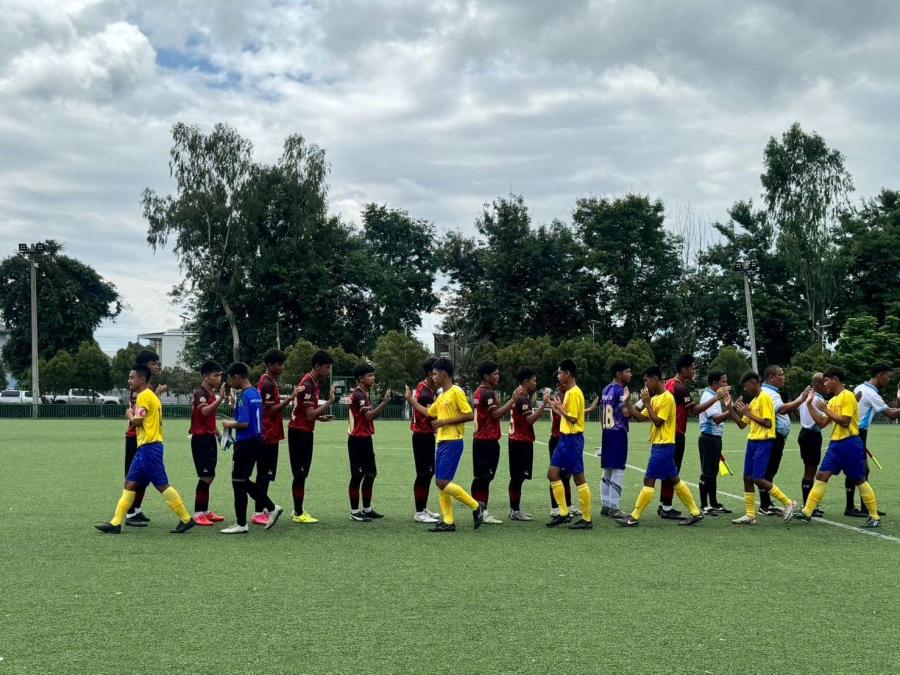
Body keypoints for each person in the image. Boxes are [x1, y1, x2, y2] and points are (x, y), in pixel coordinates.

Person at [95, 365, 195, 534]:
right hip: (146, 447)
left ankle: (186, 518)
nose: (129, 381)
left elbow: (138, 421)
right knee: (130, 483)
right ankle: (116, 522)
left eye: (132, 377)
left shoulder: (143, 396)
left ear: (142, 379)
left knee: (162, 485)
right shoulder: (151, 396)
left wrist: (129, 414)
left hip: (150, 447)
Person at [616, 365, 703, 528]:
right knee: (674, 479)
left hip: (664, 445)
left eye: (647, 381)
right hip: (660, 445)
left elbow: (658, 422)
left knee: (648, 479)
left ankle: (634, 517)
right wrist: (627, 403)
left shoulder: (667, 398)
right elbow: (639, 418)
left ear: (655, 379)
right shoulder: (655, 398)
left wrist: (647, 403)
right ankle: (695, 512)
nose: (645, 384)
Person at [796, 367, 881, 528]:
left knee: (859, 479)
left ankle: (874, 516)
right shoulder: (834, 400)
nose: (825, 384)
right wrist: (809, 405)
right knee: (821, 475)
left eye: (827, 380)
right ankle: (807, 512)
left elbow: (845, 421)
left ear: (835, 379)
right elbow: (822, 423)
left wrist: (825, 409)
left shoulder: (847, 396)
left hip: (849, 444)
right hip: (835, 445)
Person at [658, 355, 728, 519]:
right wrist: (716, 398)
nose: (694, 371)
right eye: (693, 368)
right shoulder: (680, 388)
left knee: (669, 469)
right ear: (684, 370)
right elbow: (695, 410)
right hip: (675, 433)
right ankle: (666, 507)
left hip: (667, 432)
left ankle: (664, 504)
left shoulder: (669, 383)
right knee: (673, 470)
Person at [220, 362, 284, 534]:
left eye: (230, 379)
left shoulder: (244, 395)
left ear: (237, 376)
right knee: (243, 481)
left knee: (238, 481)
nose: (230, 382)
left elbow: (244, 423)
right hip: (257, 442)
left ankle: (260, 514)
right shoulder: (255, 393)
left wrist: (227, 424)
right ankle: (261, 513)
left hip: (245, 443)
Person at [421, 358, 483, 532]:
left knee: (442, 481)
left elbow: (469, 414)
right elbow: (429, 412)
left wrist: (444, 422)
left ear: (443, 374)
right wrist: (411, 401)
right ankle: (448, 521)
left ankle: (475, 505)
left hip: (453, 441)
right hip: (442, 442)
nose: (432, 377)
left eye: (435, 374)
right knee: (441, 482)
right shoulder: (441, 395)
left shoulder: (456, 391)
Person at [729, 372, 796, 525]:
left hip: (764, 442)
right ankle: (750, 515)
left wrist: (749, 414)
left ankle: (787, 503)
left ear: (754, 383)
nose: (745, 389)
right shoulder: (754, 401)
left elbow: (768, 423)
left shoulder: (765, 398)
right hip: (752, 442)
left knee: (758, 478)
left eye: (746, 385)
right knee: (747, 478)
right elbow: (742, 424)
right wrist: (730, 408)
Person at [252, 349, 302, 526]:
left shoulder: (270, 381)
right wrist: (290, 398)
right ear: (269, 365)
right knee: (263, 475)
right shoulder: (266, 383)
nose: (282, 367)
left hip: (271, 434)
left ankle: (262, 508)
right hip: (267, 435)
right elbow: (270, 410)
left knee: (266, 475)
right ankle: (259, 511)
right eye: (280, 364)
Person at [287, 350, 336, 524]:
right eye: (327, 367)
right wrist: (329, 402)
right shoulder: (307, 383)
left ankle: (298, 509)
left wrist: (320, 417)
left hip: (304, 431)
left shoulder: (313, 382)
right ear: (317, 366)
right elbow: (309, 415)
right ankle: (298, 512)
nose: (329, 371)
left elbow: (307, 413)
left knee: (303, 473)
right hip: (299, 432)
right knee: (299, 474)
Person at [544, 359, 593, 530]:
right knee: (552, 474)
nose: (558, 376)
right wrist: (553, 404)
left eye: (560, 372)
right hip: (565, 439)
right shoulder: (570, 392)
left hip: (573, 439)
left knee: (579, 478)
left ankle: (587, 518)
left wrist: (560, 407)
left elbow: (573, 418)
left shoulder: (574, 392)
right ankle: (563, 512)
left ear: (568, 373)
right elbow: (566, 414)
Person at [847, 363, 900, 516]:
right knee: (859, 469)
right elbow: (891, 415)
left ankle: (862, 507)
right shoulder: (871, 394)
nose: (889, 379)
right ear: (880, 375)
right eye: (888, 376)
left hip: (855, 432)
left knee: (861, 469)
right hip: (857, 433)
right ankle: (851, 508)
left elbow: (890, 411)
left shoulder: (861, 387)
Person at [757, 365, 809, 516]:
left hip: (775, 437)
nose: (783, 377)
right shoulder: (769, 393)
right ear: (771, 378)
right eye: (780, 374)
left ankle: (766, 503)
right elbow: (782, 409)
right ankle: (765, 505)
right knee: (768, 471)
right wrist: (801, 399)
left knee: (769, 471)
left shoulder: (770, 392)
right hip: (773, 437)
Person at [123, 349, 166, 526]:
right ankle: (129, 513)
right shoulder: (139, 391)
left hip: (146, 437)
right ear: (144, 367)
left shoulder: (147, 388)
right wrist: (156, 395)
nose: (157, 367)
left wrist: (157, 395)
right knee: (133, 476)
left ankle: (136, 509)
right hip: (136, 437)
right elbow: (140, 415)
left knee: (144, 476)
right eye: (153, 364)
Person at [472, 362, 518, 524]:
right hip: (487, 440)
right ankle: (483, 512)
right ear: (486, 376)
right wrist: (512, 400)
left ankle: (477, 509)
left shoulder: (478, 391)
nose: (498, 376)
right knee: (485, 478)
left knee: (479, 477)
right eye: (495, 374)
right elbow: (496, 414)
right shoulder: (488, 393)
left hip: (479, 440)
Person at [347, 363, 392, 522]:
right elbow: (369, 416)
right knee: (357, 475)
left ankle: (367, 509)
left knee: (371, 473)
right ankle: (354, 511)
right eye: (370, 375)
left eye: (373, 375)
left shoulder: (364, 393)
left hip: (365, 439)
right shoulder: (359, 394)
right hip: (357, 440)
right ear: (361, 378)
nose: (373, 378)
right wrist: (384, 402)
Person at [599, 360, 641, 519]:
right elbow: (626, 413)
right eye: (627, 371)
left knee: (607, 470)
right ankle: (614, 507)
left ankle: (605, 504)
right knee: (618, 471)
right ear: (618, 374)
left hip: (607, 432)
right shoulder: (620, 391)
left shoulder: (606, 389)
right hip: (618, 433)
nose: (630, 374)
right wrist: (641, 403)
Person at [404, 358, 442, 523]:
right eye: (437, 371)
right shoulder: (426, 393)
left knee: (428, 472)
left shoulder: (424, 387)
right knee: (423, 474)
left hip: (424, 435)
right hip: (422, 436)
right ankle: (419, 512)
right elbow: (430, 414)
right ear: (430, 373)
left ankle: (423, 507)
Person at [189, 360, 226, 526]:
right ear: (205, 376)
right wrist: (220, 399)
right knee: (206, 476)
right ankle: (198, 512)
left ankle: (205, 511)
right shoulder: (200, 393)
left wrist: (219, 435)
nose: (219, 378)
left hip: (209, 438)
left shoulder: (210, 394)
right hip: (200, 439)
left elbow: (209, 420)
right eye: (215, 375)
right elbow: (204, 412)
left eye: (220, 375)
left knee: (210, 474)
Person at [507, 367, 546, 521]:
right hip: (520, 441)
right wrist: (543, 407)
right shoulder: (522, 398)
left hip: (517, 440)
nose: (535, 383)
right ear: (526, 381)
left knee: (518, 477)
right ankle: (515, 510)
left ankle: (514, 509)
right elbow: (529, 420)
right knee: (518, 477)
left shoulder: (517, 393)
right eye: (533, 380)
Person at [697, 370, 735, 516]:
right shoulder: (709, 396)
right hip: (709, 438)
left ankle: (713, 503)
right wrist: (731, 410)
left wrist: (729, 406)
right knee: (707, 472)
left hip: (714, 438)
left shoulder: (714, 396)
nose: (726, 384)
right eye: (723, 381)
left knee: (712, 472)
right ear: (714, 383)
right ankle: (704, 505)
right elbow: (716, 419)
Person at [798, 373, 827, 516]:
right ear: (818, 384)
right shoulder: (817, 399)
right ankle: (808, 506)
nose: (826, 386)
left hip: (804, 433)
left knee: (809, 469)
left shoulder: (805, 395)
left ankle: (808, 504)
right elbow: (822, 421)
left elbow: (798, 409)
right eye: (824, 383)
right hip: (812, 435)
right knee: (810, 471)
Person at [547, 383, 575, 517]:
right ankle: (555, 507)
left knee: (567, 475)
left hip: (567, 439)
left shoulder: (569, 396)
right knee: (555, 474)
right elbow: (563, 417)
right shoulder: (558, 398)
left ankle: (568, 505)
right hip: (557, 439)